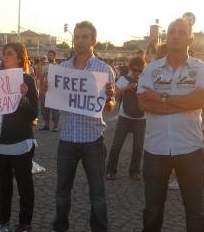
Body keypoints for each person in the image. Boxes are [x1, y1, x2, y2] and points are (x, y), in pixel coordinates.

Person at [138, 18, 204, 232]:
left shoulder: (201, 69)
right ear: (166, 37)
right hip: (155, 148)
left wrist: (160, 98)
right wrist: (183, 102)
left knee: (195, 211)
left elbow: (203, 100)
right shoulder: (151, 69)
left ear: (190, 39)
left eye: (182, 32)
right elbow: (143, 103)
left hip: (190, 148)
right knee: (152, 210)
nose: (176, 35)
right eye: (172, 31)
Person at [45, 21, 115, 232]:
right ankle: (60, 226)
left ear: (93, 41)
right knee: (62, 191)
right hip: (66, 139)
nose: (79, 41)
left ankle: (100, 228)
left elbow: (109, 107)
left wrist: (110, 99)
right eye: (76, 37)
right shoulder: (62, 69)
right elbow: (53, 99)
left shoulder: (104, 70)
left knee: (97, 194)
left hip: (93, 140)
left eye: (84, 37)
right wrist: (46, 90)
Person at [0, 42, 38, 232]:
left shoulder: (27, 80)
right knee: (4, 186)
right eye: (3, 54)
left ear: (19, 58)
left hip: (20, 142)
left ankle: (24, 223)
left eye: (9, 54)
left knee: (25, 186)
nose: (4, 57)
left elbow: (34, 113)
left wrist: (24, 98)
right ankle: (2, 219)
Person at [106, 57, 146, 181]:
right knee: (117, 144)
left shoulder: (145, 81)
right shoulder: (123, 79)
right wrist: (126, 88)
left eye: (140, 71)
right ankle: (110, 170)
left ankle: (134, 171)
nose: (137, 73)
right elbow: (114, 94)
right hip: (125, 116)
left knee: (138, 147)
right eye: (135, 70)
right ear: (130, 68)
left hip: (141, 117)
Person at [39, 50, 60, 132]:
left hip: (54, 91)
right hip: (45, 91)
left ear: (54, 56)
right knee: (44, 109)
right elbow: (41, 78)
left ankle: (55, 126)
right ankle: (47, 125)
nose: (49, 56)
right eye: (48, 55)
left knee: (55, 110)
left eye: (51, 55)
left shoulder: (58, 67)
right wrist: (41, 88)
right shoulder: (45, 67)